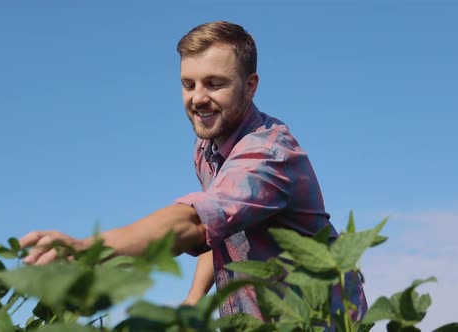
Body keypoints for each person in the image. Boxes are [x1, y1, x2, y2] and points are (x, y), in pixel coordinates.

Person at [19, 21, 366, 322]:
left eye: (214, 83)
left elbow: (196, 223)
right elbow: (221, 229)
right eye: (189, 84)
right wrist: (194, 299)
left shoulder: (268, 154)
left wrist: (87, 249)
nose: (198, 98)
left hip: (319, 318)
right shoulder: (206, 149)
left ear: (250, 86)